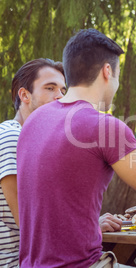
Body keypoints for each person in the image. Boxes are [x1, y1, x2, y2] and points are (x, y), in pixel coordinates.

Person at [16, 28, 136, 268]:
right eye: (118, 75)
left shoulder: (34, 121)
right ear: (107, 71)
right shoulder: (104, 126)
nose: (118, 84)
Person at [0, 58, 66, 267]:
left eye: (63, 90)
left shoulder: (32, 141)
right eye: (50, 88)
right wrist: (92, 227)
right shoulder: (12, 137)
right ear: (24, 95)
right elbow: (29, 222)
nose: (60, 96)